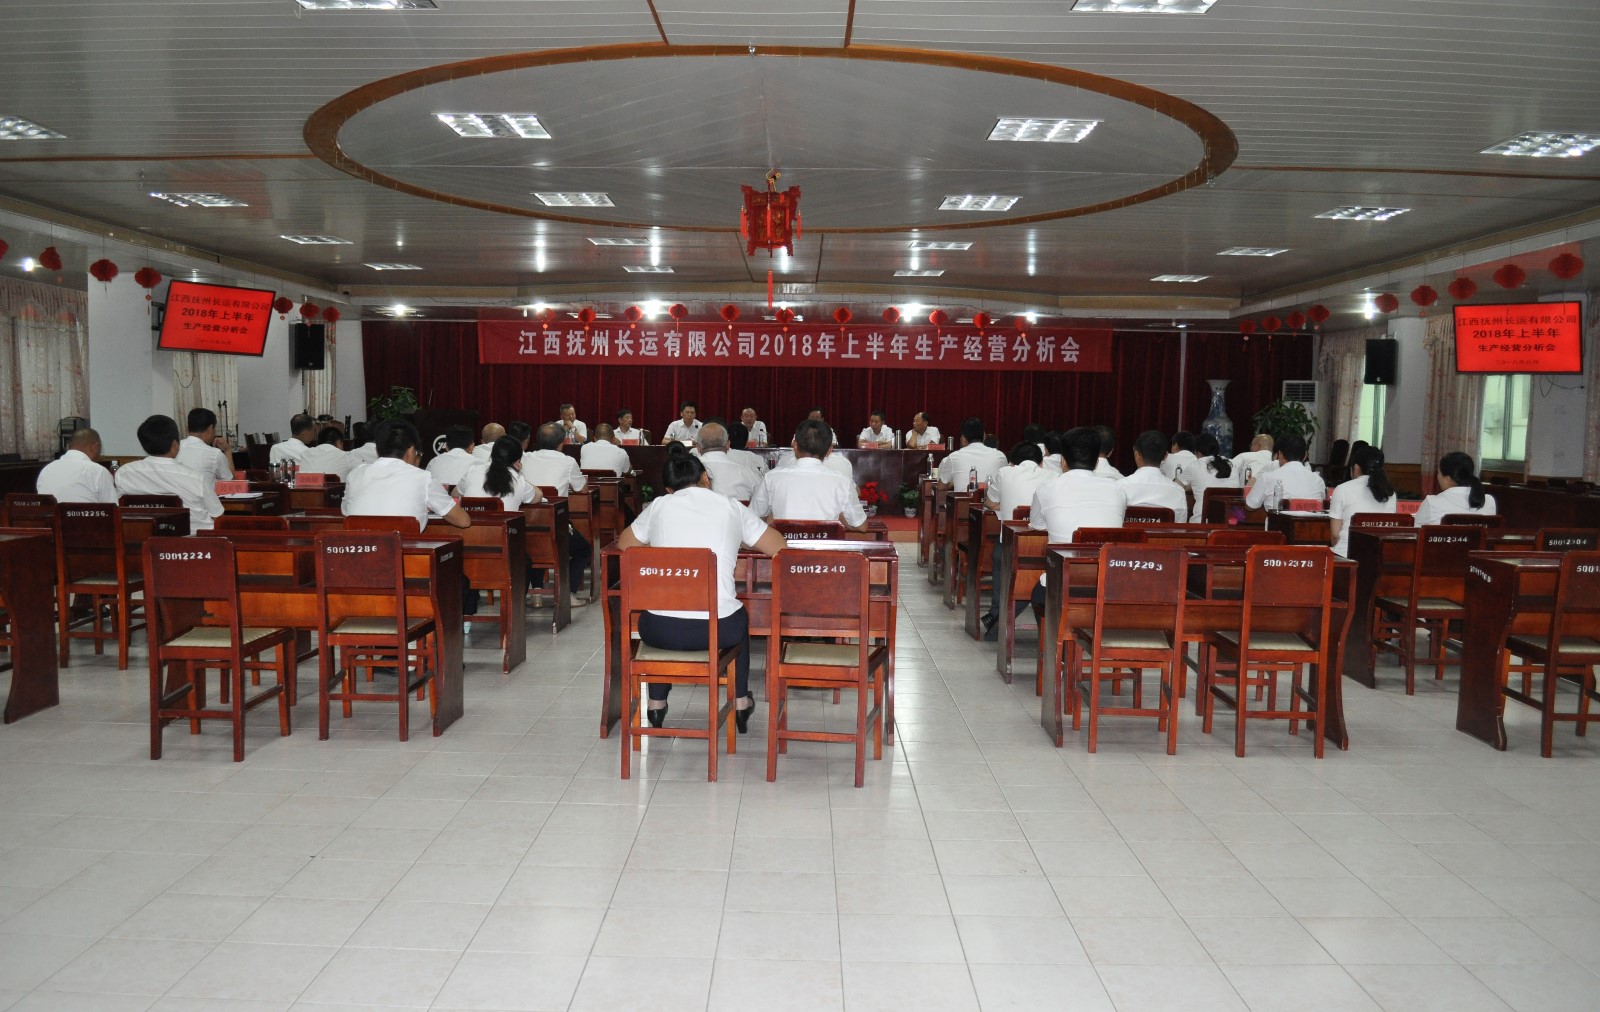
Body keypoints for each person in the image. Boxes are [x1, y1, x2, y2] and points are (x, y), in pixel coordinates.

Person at [617, 445, 786, 732]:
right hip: (718, 629)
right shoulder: (730, 506)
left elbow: (625, 544)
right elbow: (778, 547)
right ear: (706, 477)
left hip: (658, 629)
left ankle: (656, 703)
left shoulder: (658, 506)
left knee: (662, 610)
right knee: (740, 619)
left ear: (669, 489)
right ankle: (740, 702)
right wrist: (740, 540)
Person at [1028, 426, 1128, 609]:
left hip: (1062, 585)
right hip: (1108, 586)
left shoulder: (1046, 488)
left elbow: (1036, 525)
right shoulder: (1118, 489)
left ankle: (1055, 627)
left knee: (1037, 594)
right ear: (1096, 462)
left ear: (1063, 461)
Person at [342, 419, 470, 533]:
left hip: (358, 550)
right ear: (411, 451)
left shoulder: (355, 474)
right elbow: (463, 521)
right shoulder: (422, 478)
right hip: (404, 551)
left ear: (377, 450)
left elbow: (346, 512)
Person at [114, 414, 225, 531]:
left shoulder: (124, 473)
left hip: (143, 538)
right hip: (194, 539)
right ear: (175, 444)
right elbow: (218, 516)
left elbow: (118, 509)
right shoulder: (195, 477)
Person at [751, 420, 866, 528]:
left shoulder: (772, 477)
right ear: (829, 450)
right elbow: (861, 526)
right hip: (825, 543)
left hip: (783, 543)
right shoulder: (842, 481)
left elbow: (753, 517)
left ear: (795, 445)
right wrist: (839, 520)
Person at [1329, 445, 1397, 555]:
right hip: (1379, 556)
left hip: (1346, 554)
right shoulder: (1390, 493)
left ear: (1356, 468)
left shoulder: (1342, 489)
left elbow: (1335, 535)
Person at [457, 435, 542, 512]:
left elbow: (455, 494)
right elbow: (538, 496)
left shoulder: (473, 470)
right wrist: (519, 474)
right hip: (501, 525)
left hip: (470, 523)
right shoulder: (517, 478)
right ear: (517, 461)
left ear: (492, 454)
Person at [1245, 432, 1326, 510]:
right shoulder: (1318, 480)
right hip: (1310, 520)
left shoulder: (1267, 477)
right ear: (1305, 455)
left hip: (1277, 520)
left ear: (1280, 454)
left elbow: (1250, 506)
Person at [1415, 451, 1497, 527]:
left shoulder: (1431, 503)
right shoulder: (1489, 501)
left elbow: (1418, 533)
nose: (1437, 476)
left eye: (1439, 472)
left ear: (1448, 479)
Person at [36, 427, 116, 503]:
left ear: (68, 446)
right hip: (84, 513)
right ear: (95, 447)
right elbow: (112, 509)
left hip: (50, 513)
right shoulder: (99, 472)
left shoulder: (47, 470)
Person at [1119, 429, 1188, 516]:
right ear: (1165, 456)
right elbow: (1180, 523)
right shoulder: (1178, 491)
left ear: (1137, 455)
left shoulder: (1120, 487)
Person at [936, 417, 1008, 490]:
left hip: (963, 498)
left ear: (963, 438)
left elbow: (940, 488)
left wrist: (954, 481)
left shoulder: (953, 457)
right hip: (991, 497)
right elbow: (1006, 484)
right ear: (984, 436)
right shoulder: (1000, 456)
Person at [987, 441, 1049, 522]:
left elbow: (989, 504)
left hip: (1010, 529)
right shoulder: (1053, 476)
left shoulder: (1004, 472)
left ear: (1012, 463)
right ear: (1041, 463)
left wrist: (1007, 504)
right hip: (1044, 529)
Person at [698, 422, 759, 501]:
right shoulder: (746, 473)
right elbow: (762, 501)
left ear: (698, 447)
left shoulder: (685, 472)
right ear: (728, 444)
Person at [522, 421, 587, 496]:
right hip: (557, 503)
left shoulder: (524, 458)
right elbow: (583, 490)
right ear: (561, 444)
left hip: (527, 503)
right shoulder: (569, 462)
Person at [1185, 432, 1237, 521]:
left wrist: (1191, 485)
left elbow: (1176, 486)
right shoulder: (1232, 464)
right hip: (1229, 522)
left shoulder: (1196, 465)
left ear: (1198, 452)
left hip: (1201, 522)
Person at [177, 408, 233, 483]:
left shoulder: (175, 448)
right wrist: (227, 450)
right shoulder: (215, 454)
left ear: (187, 428)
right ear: (210, 429)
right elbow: (230, 482)